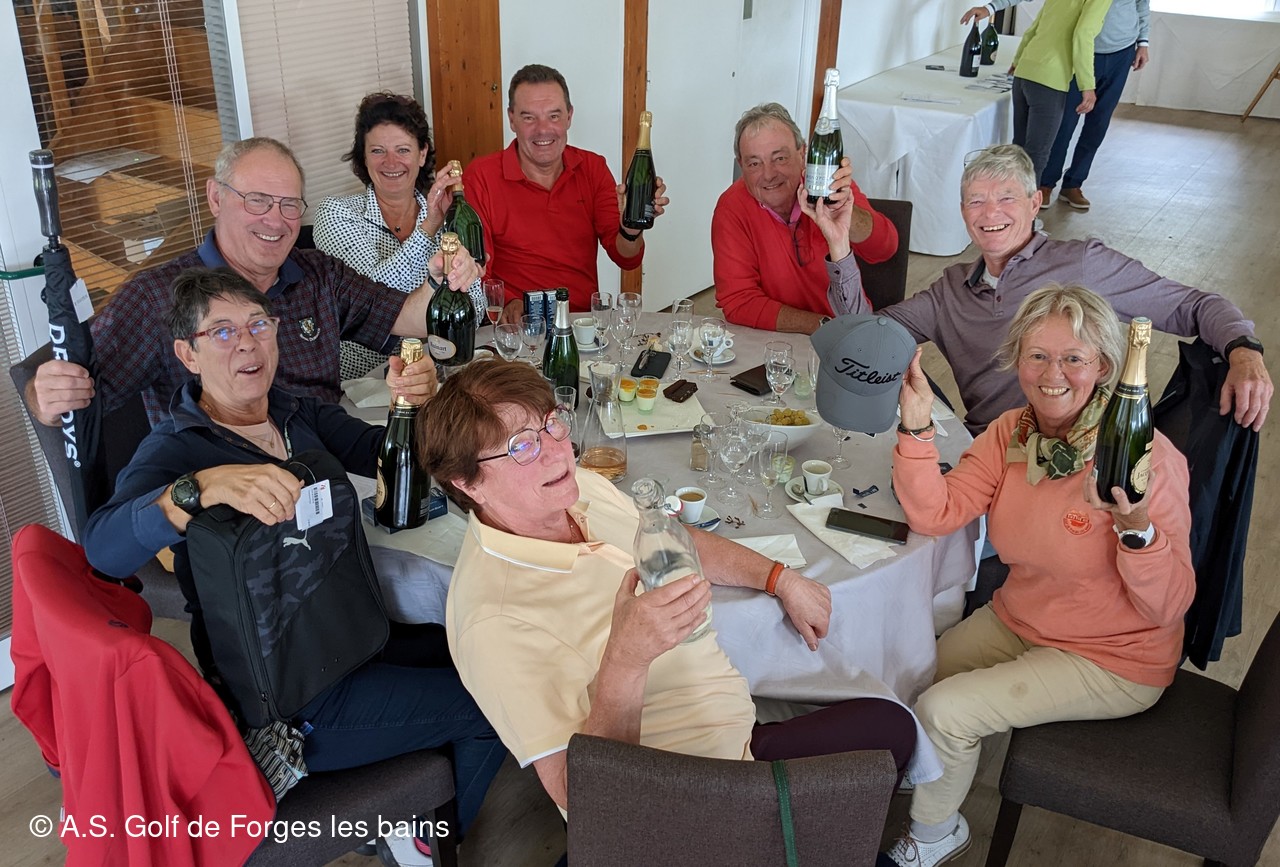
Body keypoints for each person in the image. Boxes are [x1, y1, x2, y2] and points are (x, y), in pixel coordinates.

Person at [81, 268, 504, 867]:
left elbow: (384, 452)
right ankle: (419, 840)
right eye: (221, 332)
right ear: (187, 354)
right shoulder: (177, 449)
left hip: (353, 635)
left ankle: (408, 804)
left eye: (258, 325)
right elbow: (102, 548)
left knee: (483, 652)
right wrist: (199, 488)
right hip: (290, 694)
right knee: (492, 705)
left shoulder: (293, 412)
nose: (247, 343)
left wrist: (413, 407)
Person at [421, 359, 918, 814]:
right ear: (468, 483)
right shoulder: (491, 623)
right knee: (885, 741)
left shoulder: (576, 489)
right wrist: (626, 658)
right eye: (521, 446)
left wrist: (777, 577)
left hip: (734, 728)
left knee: (887, 723)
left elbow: (671, 538)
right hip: (680, 793)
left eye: (551, 422)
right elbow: (588, 801)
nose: (557, 451)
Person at [883, 284, 1194, 866]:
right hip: (1021, 619)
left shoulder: (1142, 457)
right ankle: (928, 766)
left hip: (1112, 656)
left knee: (947, 710)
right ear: (1017, 360)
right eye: (1038, 356)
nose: (1053, 375)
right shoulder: (1013, 433)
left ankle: (935, 833)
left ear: (1104, 367)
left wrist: (1136, 528)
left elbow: (1168, 606)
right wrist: (917, 427)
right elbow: (936, 512)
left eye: (1073, 358)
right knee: (909, 673)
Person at [25, 137, 481, 427]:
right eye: (257, 200)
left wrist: (440, 281)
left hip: (327, 460)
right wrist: (44, 396)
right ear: (216, 198)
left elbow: (409, 317)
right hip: (227, 493)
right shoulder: (156, 297)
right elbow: (73, 395)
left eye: (289, 205)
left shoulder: (317, 273)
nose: (275, 221)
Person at [823, 144, 1271, 434]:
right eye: (977, 201)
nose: (990, 213)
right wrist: (840, 246)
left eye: (1006, 198)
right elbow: (864, 343)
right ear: (962, 212)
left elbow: (1194, 305)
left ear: (1035, 203)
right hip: (990, 453)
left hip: (1080, 456)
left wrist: (1244, 351)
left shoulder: (1083, 263)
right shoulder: (950, 291)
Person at [464, 64, 670, 314]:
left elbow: (627, 259)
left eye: (554, 116)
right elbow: (475, 270)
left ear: (569, 117)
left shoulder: (592, 168)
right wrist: (508, 303)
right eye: (529, 117)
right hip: (518, 322)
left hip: (581, 321)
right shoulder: (481, 176)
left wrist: (630, 228)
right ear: (511, 119)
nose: (543, 129)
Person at [313, 92, 486, 379]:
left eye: (403, 150)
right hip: (366, 382)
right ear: (363, 157)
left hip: (438, 370)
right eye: (378, 151)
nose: (391, 162)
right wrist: (429, 226)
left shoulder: (448, 213)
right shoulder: (336, 213)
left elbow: (475, 308)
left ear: (422, 154)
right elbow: (371, 301)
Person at [712, 102, 898, 333]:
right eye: (754, 163)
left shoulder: (828, 184)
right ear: (741, 165)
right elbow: (739, 301)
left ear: (802, 154)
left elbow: (885, 249)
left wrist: (844, 215)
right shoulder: (731, 207)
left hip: (849, 334)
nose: (768, 175)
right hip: (775, 338)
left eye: (780, 158)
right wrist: (824, 325)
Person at [964, 0, 1151, 210]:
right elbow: (1077, 32)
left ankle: (1072, 184)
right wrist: (990, 8)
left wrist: (1143, 42)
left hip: (1120, 52)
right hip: (1077, 55)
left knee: (1096, 125)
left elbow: (1142, 5)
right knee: (1059, 127)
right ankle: (1042, 186)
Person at [1002, 0, 1113, 186]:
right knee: (1036, 156)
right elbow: (1083, 34)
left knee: (1019, 151)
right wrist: (1087, 85)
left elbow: (1034, 28)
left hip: (1024, 72)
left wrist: (1018, 59)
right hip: (1050, 80)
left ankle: (1013, 203)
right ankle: (1027, 206)